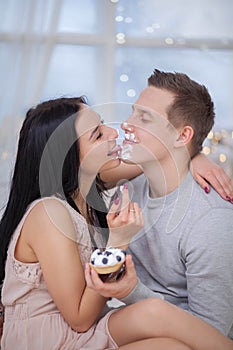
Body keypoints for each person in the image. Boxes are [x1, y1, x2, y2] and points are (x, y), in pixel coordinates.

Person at [0, 97, 233, 350]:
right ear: (67, 158)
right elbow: (79, 318)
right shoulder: (48, 213)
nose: (113, 132)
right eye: (98, 134)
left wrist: (193, 156)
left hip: (83, 330)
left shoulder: (86, 188)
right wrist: (118, 241)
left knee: (156, 313)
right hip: (54, 339)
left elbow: (158, 157)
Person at [97, 69, 233, 340]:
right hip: (133, 327)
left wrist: (131, 290)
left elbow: (213, 334)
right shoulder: (129, 189)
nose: (126, 124)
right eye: (133, 112)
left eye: (144, 118)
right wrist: (193, 156)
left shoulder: (211, 221)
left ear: (182, 136)